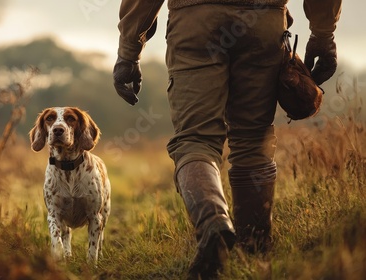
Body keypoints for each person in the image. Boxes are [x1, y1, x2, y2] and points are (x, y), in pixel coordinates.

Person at [113, 0, 341, 279]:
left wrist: (129, 51)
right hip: (263, 22)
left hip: (196, 22)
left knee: (195, 139)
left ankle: (213, 223)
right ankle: (255, 251)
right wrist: (322, 34)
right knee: (254, 139)